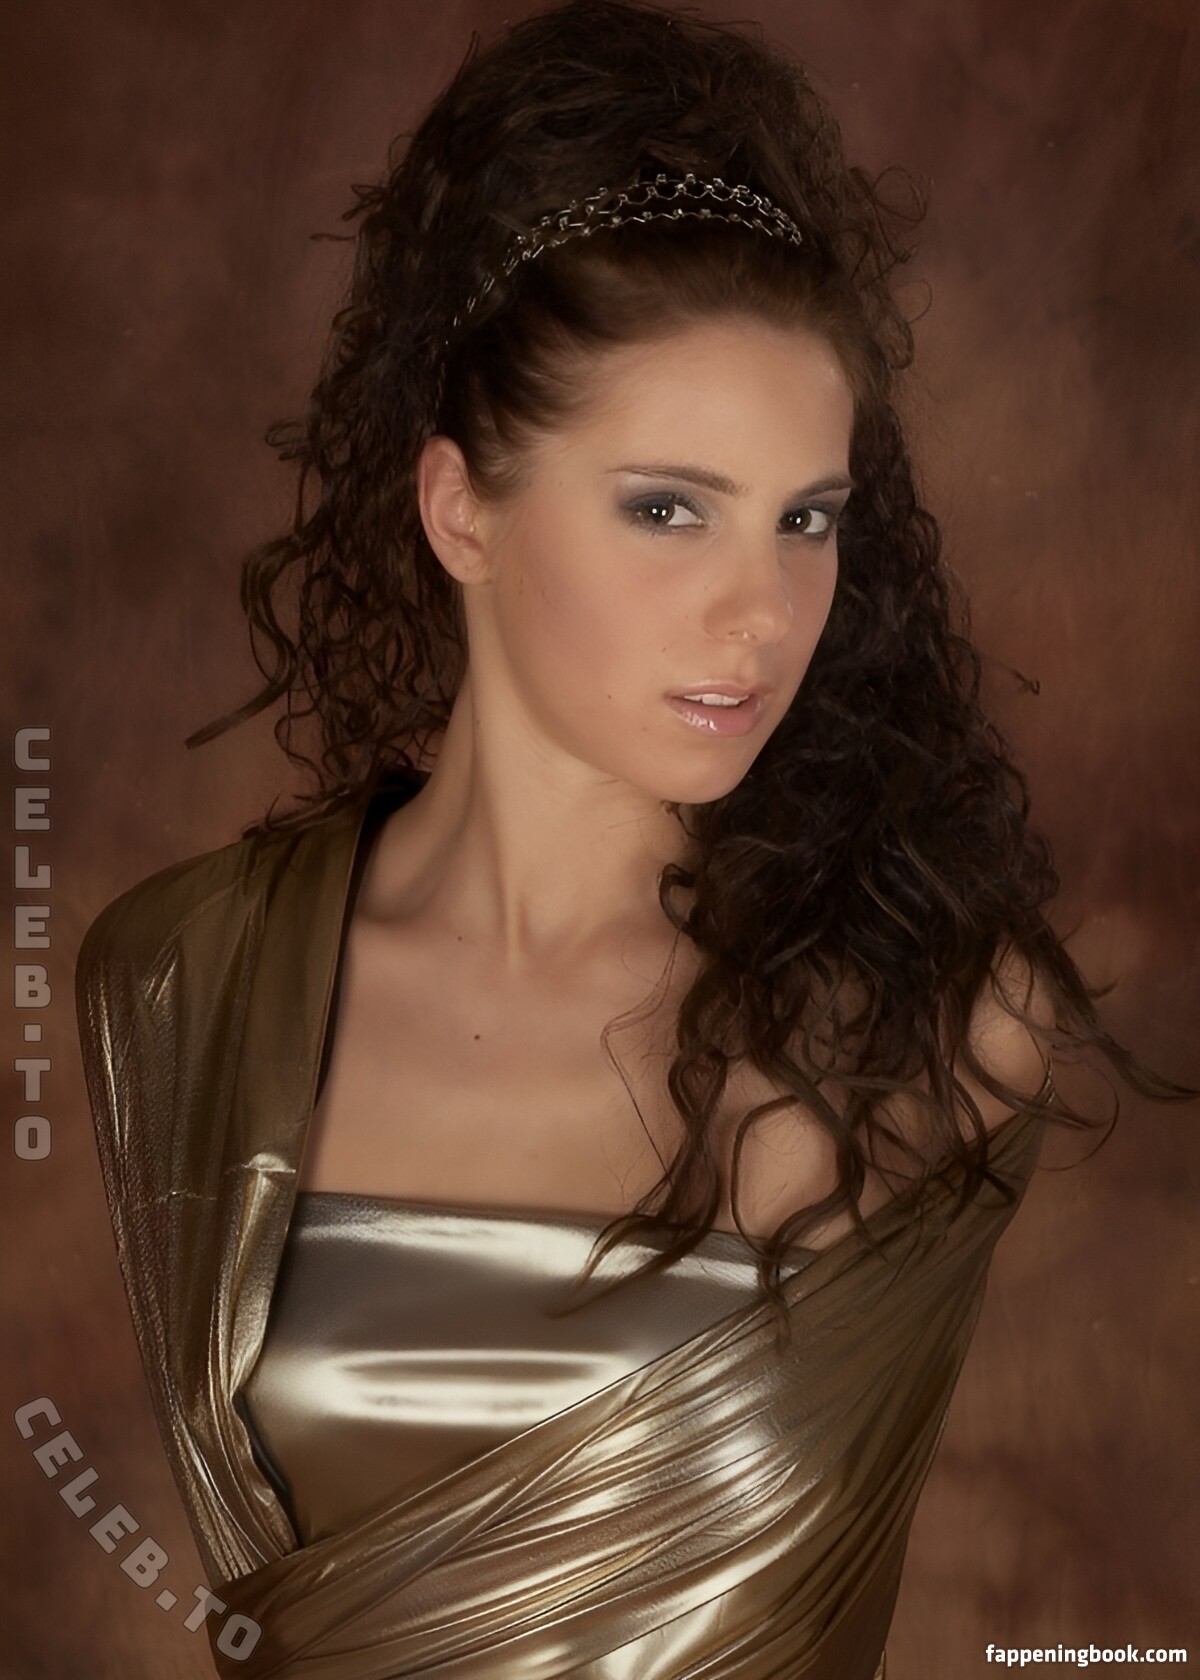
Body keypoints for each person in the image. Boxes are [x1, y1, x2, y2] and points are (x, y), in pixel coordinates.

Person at [71, 2, 1188, 1676]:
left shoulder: (952, 1026)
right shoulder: (180, 978)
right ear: (462, 509)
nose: (764, 609)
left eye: (806, 518)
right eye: (669, 508)